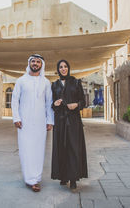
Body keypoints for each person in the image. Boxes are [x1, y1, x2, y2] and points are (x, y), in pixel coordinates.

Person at [11, 54, 54, 192]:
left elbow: (49, 103)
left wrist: (50, 121)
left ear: (42, 65)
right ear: (29, 63)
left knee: (39, 150)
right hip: (24, 122)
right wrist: (16, 118)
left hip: (41, 122)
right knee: (26, 150)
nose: (35, 64)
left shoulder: (46, 82)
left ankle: (36, 179)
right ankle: (29, 179)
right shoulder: (21, 81)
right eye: (33, 61)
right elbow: (14, 100)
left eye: (38, 62)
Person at [51, 59, 88, 190]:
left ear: (69, 68)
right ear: (58, 69)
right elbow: (51, 104)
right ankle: (63, 176)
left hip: (73, 121)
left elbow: (83, 102)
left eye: (65, 66)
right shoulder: (54, 85)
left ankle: (73, 178)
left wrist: (76, 105)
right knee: (61, 148)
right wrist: (54, 104)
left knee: (73, 148)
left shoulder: (76, 82)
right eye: (60, 67)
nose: (63, 69)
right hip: (60, 121)